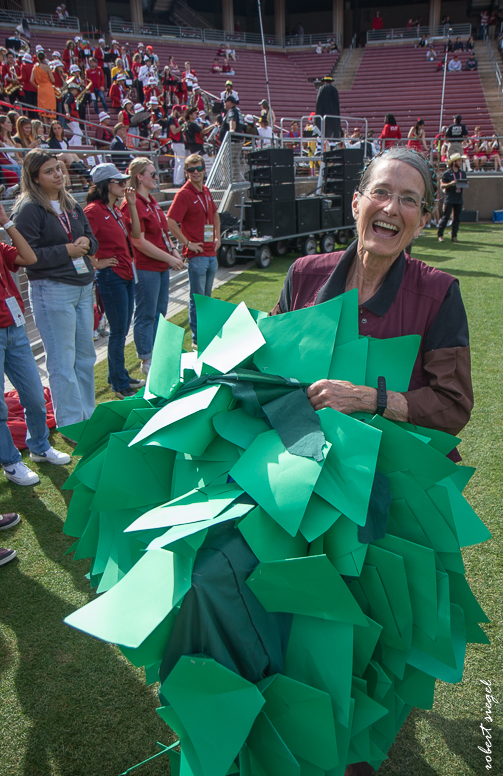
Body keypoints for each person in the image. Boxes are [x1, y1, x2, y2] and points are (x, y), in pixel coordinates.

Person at [272, 145, 472, 444]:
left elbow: (453, 406)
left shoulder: (439, 293)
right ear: (356, 203)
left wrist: (368, 398)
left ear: (421, 222)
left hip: (395, 471)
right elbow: (268, 368)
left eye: (408, 199)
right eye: (380, 192)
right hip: (302, 456)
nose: (391, 208)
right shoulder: (302, 275)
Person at [11, 150, 99, 428]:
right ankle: (71, 423)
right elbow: (28, 257)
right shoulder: (28, 209)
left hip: (83, 286)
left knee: (86, 356)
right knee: (63, 361)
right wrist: (67, 250)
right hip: (53, 290)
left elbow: (92, 240)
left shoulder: (70, 202)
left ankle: (89, 414)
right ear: (35, 178)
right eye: (49, 171)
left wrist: (85, 242)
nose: (58, 174)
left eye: (58, 168)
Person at [0, 200, 71, 487]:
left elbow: (29, 258)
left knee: (34, 397)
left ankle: (40, 447)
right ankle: (11, 462)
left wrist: (6, 223)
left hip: (14, 329)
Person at [84, 164, 144, 399]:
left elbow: (135, 235)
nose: (123, 185)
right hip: (112, 276)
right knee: (118, 332)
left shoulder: (114, 209)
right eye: (119, 182)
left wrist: (130, 205)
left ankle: (117, 375)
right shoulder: (93, 210)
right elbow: (83, 240)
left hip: (124, 273)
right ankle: (119, 384)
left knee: (121, 329)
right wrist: (96, 262)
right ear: (106, 184)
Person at [121, 157, 184, 375]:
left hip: (159, 266)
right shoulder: (133, 203)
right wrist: (169, 258)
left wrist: (173, 250)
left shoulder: (151, 201)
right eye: (153, 174)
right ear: (140, 176)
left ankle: (157, 352)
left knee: (159, 312)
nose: (157, 177)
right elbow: (138, 241)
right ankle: (146, 359)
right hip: (145, 266)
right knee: (146, 313)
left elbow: (163, 232)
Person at [167, 153, 220, 348]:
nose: (195, 173)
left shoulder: (205, 190)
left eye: (198, 168)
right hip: (197, 255)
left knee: (206, 298)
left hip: (210, 252)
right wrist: (187, 243)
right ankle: (197, 338)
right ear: (186, 172)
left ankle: (205, 332)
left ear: (204, 169)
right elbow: (170, 222)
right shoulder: (184, 194)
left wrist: (218, 237)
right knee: (197, 298)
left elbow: (215, 213)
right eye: (191, 170)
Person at [47, 120, 91, 189]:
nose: (57, 130)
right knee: (67, 154)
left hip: (68, 161)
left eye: (59, 128)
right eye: (55, 129)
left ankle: (86, 185)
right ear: (52, 130)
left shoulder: (64, 141)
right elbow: (51, 154)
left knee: (73, 154)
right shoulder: (50, 142)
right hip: (57, 160)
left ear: (62, 129)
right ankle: (88, 175)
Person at [437, 153, 467, 243]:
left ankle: (454, 236)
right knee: (446, 217)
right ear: (454, 162)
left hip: (459, 198)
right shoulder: (447, 173)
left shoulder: (463, 173)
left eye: (461, 160)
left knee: (457, 218)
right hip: (449, 197)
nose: (460, 162)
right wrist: (451, 184)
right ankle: (440, 235)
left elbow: (464, 183)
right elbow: (442, 185)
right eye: (458, 160)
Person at [30, 50, 56, 121]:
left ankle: (46, 127)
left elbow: (31, 80)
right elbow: (53, 80)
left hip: (41, 88)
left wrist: (37, 87)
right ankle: (51, 127)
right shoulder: (47, 67)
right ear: (44, 58)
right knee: (51, 109)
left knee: (43, 108)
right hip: (48, 88)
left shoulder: (35, 68)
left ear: (37, 58)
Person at [315, 76, 341, 140]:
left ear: (324, 81)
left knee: (324, 134)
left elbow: (318, 103)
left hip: (324, 116)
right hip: (333, 116)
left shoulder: (322, 89)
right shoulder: (334, 90)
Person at [168, 104, 186, 187]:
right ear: (175, 110)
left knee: (178, 164)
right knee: (181, 163)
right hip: (177, 142)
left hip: (177, 143)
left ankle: (176, 181)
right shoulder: (171, 119)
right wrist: (182, 126)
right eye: (179, 112)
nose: (180, 114)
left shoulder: (173, 119)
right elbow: (174, 131)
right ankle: (179, 182)